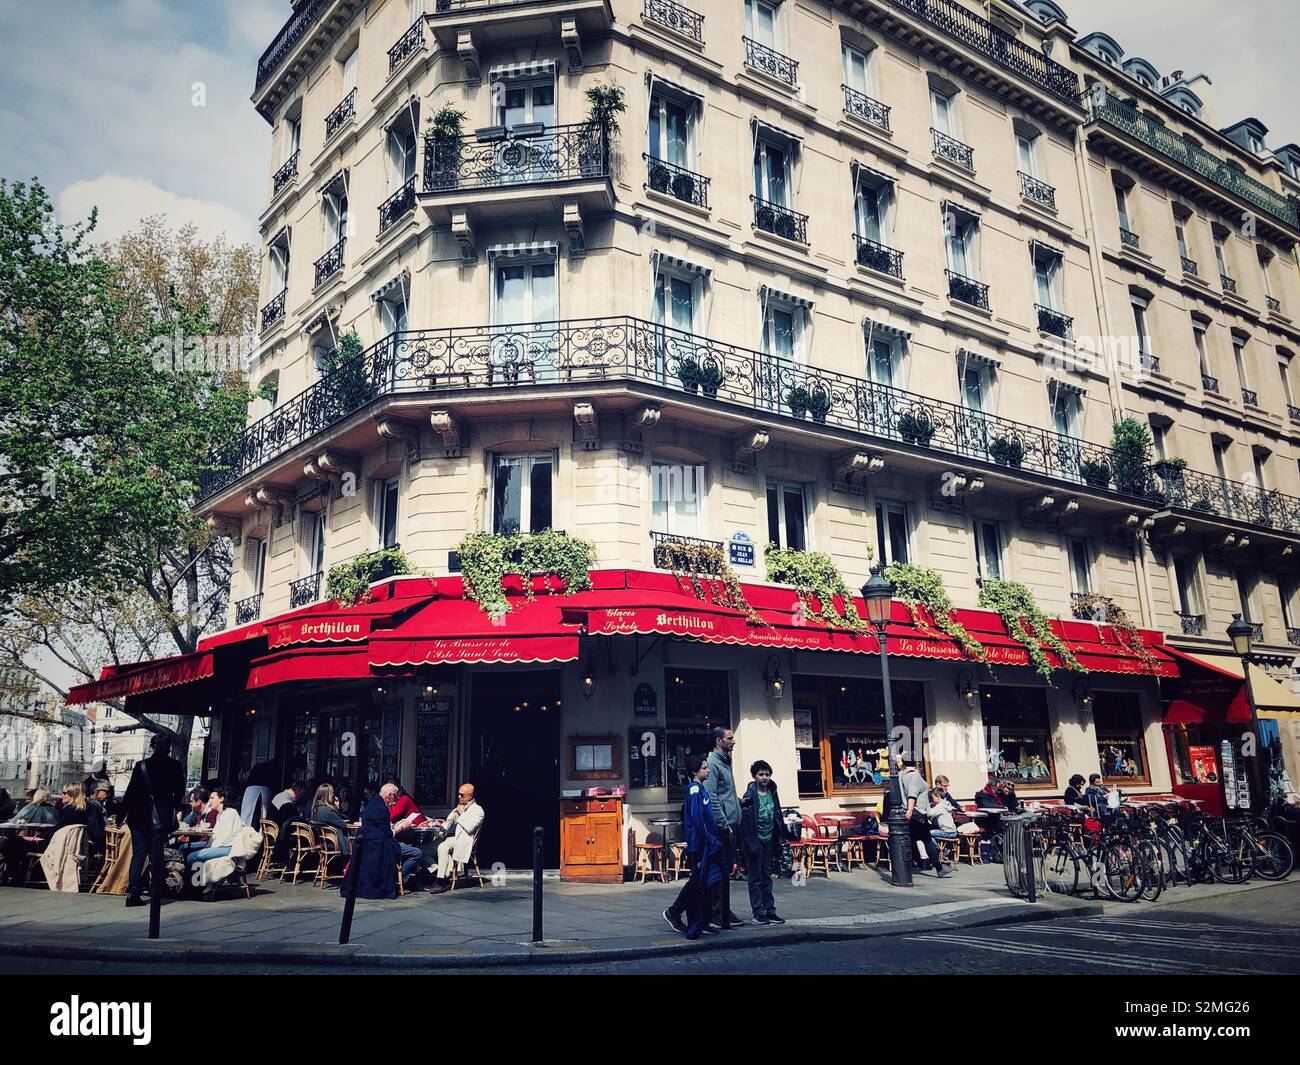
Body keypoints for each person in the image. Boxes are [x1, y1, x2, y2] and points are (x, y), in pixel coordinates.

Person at [663, 753, 725, 939]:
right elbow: (697, 819)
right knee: (696, 883)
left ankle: (700, 920)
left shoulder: (701, 789)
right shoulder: (694, 790)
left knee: (704, 884)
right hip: (699, 845)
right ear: (694, 771)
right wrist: (707, 838)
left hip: (706, 843)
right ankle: (674, 911)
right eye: (704, 767)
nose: (708, 770)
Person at [120, 733, 186, 908]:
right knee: (156, 855)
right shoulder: (174, 766)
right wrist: (171, 805)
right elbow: (179, 791)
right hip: (160, 816)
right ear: (169, 747)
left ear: (152, 746)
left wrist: (122, 815)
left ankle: (133, 893)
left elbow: (130, 793)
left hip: (138, 816)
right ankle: (156, 890)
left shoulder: (141, 766)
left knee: (138, 855)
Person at [704, 726, 746, 927]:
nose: (734, 741)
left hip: (731, 825)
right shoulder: (713, 763)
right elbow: (711, 796)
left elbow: (724, 795)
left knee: (725, 871)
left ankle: (723, 911)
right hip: (723, 828)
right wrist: (723, 824)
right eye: (729, 738)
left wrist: (738, 804)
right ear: (718, 741)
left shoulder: (725, 761)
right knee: (719, 872)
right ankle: (716, 912)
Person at [738, 760, 786, 926]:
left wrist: (779, 837)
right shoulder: (750, 795)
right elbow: (744, 821)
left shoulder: (773, 792)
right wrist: (748, 843)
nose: (764, 777)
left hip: (769, 840)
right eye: (761, 774)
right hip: (754, 840)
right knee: (755, 878)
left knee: (767, 877)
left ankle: (770, 910)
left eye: (767, 774)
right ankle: (758, 912)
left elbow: (777, 813)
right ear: (754, 776)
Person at [341, 784, 402, 900]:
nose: (396, 800)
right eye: (395, 797)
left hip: (368, 844)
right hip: (378, 845)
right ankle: (402, 879)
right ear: (389, 796)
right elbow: (387, 833)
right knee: (415, 852)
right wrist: (399, 829)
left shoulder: (372, 803)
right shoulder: (382, 808)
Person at [425, 784, 484, 894]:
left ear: (470, 796)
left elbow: (470, 828)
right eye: (459, 794)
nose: (459, 797)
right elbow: (448, 823)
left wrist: (461, 814)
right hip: (453, 838)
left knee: (443, 847)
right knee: (426, 849)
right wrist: (441, 825)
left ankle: (441, 880)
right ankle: (442, 874)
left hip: (465, 840)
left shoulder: (478, 811)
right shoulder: (460, 806)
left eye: (462, 795)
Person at [899, 759, 950, 877]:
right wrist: (910, 810)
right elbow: (912, 794)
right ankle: (939, 868)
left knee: (912, 840)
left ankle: (907, 867)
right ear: (916, 763)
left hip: (910, 811)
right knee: (926, 840)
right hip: (918, 812)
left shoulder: (901, 774)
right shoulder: (914, 776)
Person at [182, 787, 244, 880]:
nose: (209, 801)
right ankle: (198, 883)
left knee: (192, 857)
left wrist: (210, 848)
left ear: (221, 799)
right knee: (192, 854)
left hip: (228, 848)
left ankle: (199, 883)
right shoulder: (220, 814)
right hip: (219, 845)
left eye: (212, 798)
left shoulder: (231, 813)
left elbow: (226, 837)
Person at [1, 787, 58, 884]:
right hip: (50, 843)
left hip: (38, 843)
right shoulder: (54, 811)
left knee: (12, 843)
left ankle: (12, 874)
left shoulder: (31, 808)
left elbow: (15, 821)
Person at [310, 783, 352, 858]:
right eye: (332, 793)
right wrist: (337, 807)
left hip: (323, 840)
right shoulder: (328, 811)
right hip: (332, 842)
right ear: (329, 795)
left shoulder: (316, 808)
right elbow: (343, 825)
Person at [240, 759, 280, 825]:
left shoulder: (257, 767)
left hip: (250, 790)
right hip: (263, 789)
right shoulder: (272, 768)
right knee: (261, 815)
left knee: (246, 815)